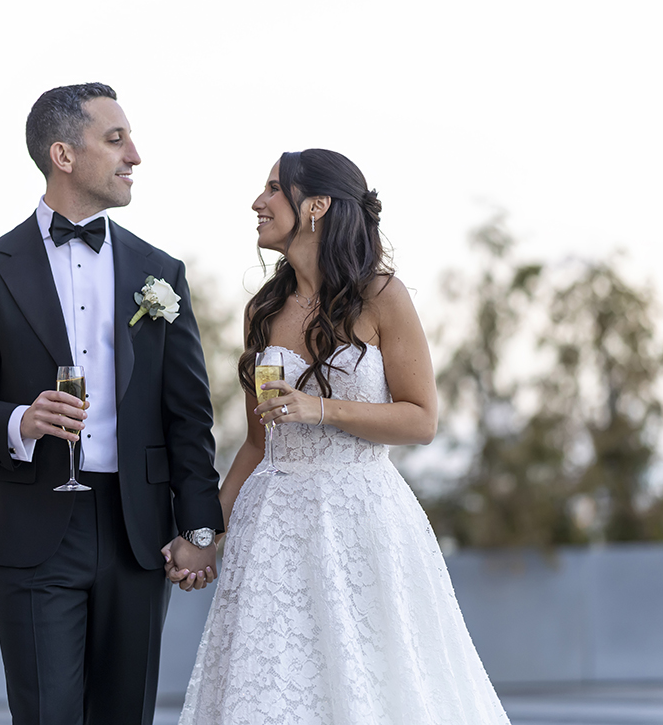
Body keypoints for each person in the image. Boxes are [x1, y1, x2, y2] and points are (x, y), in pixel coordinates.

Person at [167, 149, 511, 724]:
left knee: (372, 685)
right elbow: (256, 444)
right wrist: (205, 533)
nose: (257, 203)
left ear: (317, 205)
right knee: (274, 689)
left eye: (273, 189)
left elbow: (421, 419)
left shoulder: (383, 296)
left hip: (363, 521)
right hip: (274, 529)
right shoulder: (261, 310)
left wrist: (322, 409)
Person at [0, 83, 224, 725]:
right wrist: (20, 420)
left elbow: (189, 414)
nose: (134, 156)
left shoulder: (161, 272)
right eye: (116, 140)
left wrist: (201, 528)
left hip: (137, 530)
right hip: (31, 530)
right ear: (63, 155)